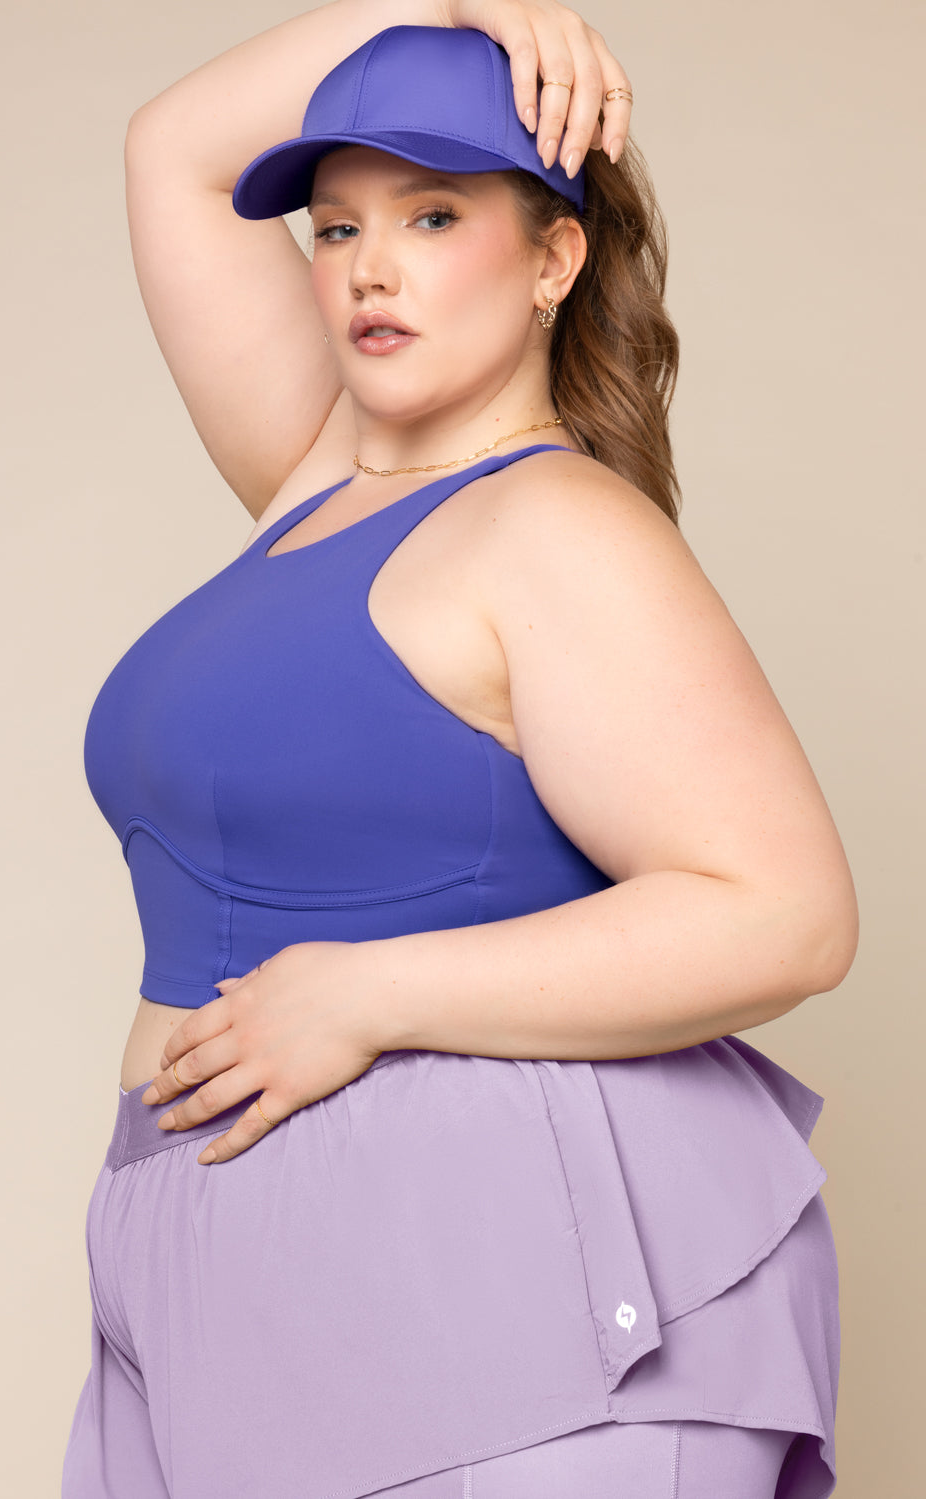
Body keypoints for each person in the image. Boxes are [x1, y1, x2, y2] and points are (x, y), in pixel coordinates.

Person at [64, 3, 858, 1496]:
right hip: (223, 1277)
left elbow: (788, 914)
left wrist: (370, 992)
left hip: (503, 1285)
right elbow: (173, 148)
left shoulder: (556, 528)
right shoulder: (315, 482)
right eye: (337, 226)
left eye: (433, 216)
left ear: (554, 259)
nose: (370, 266)